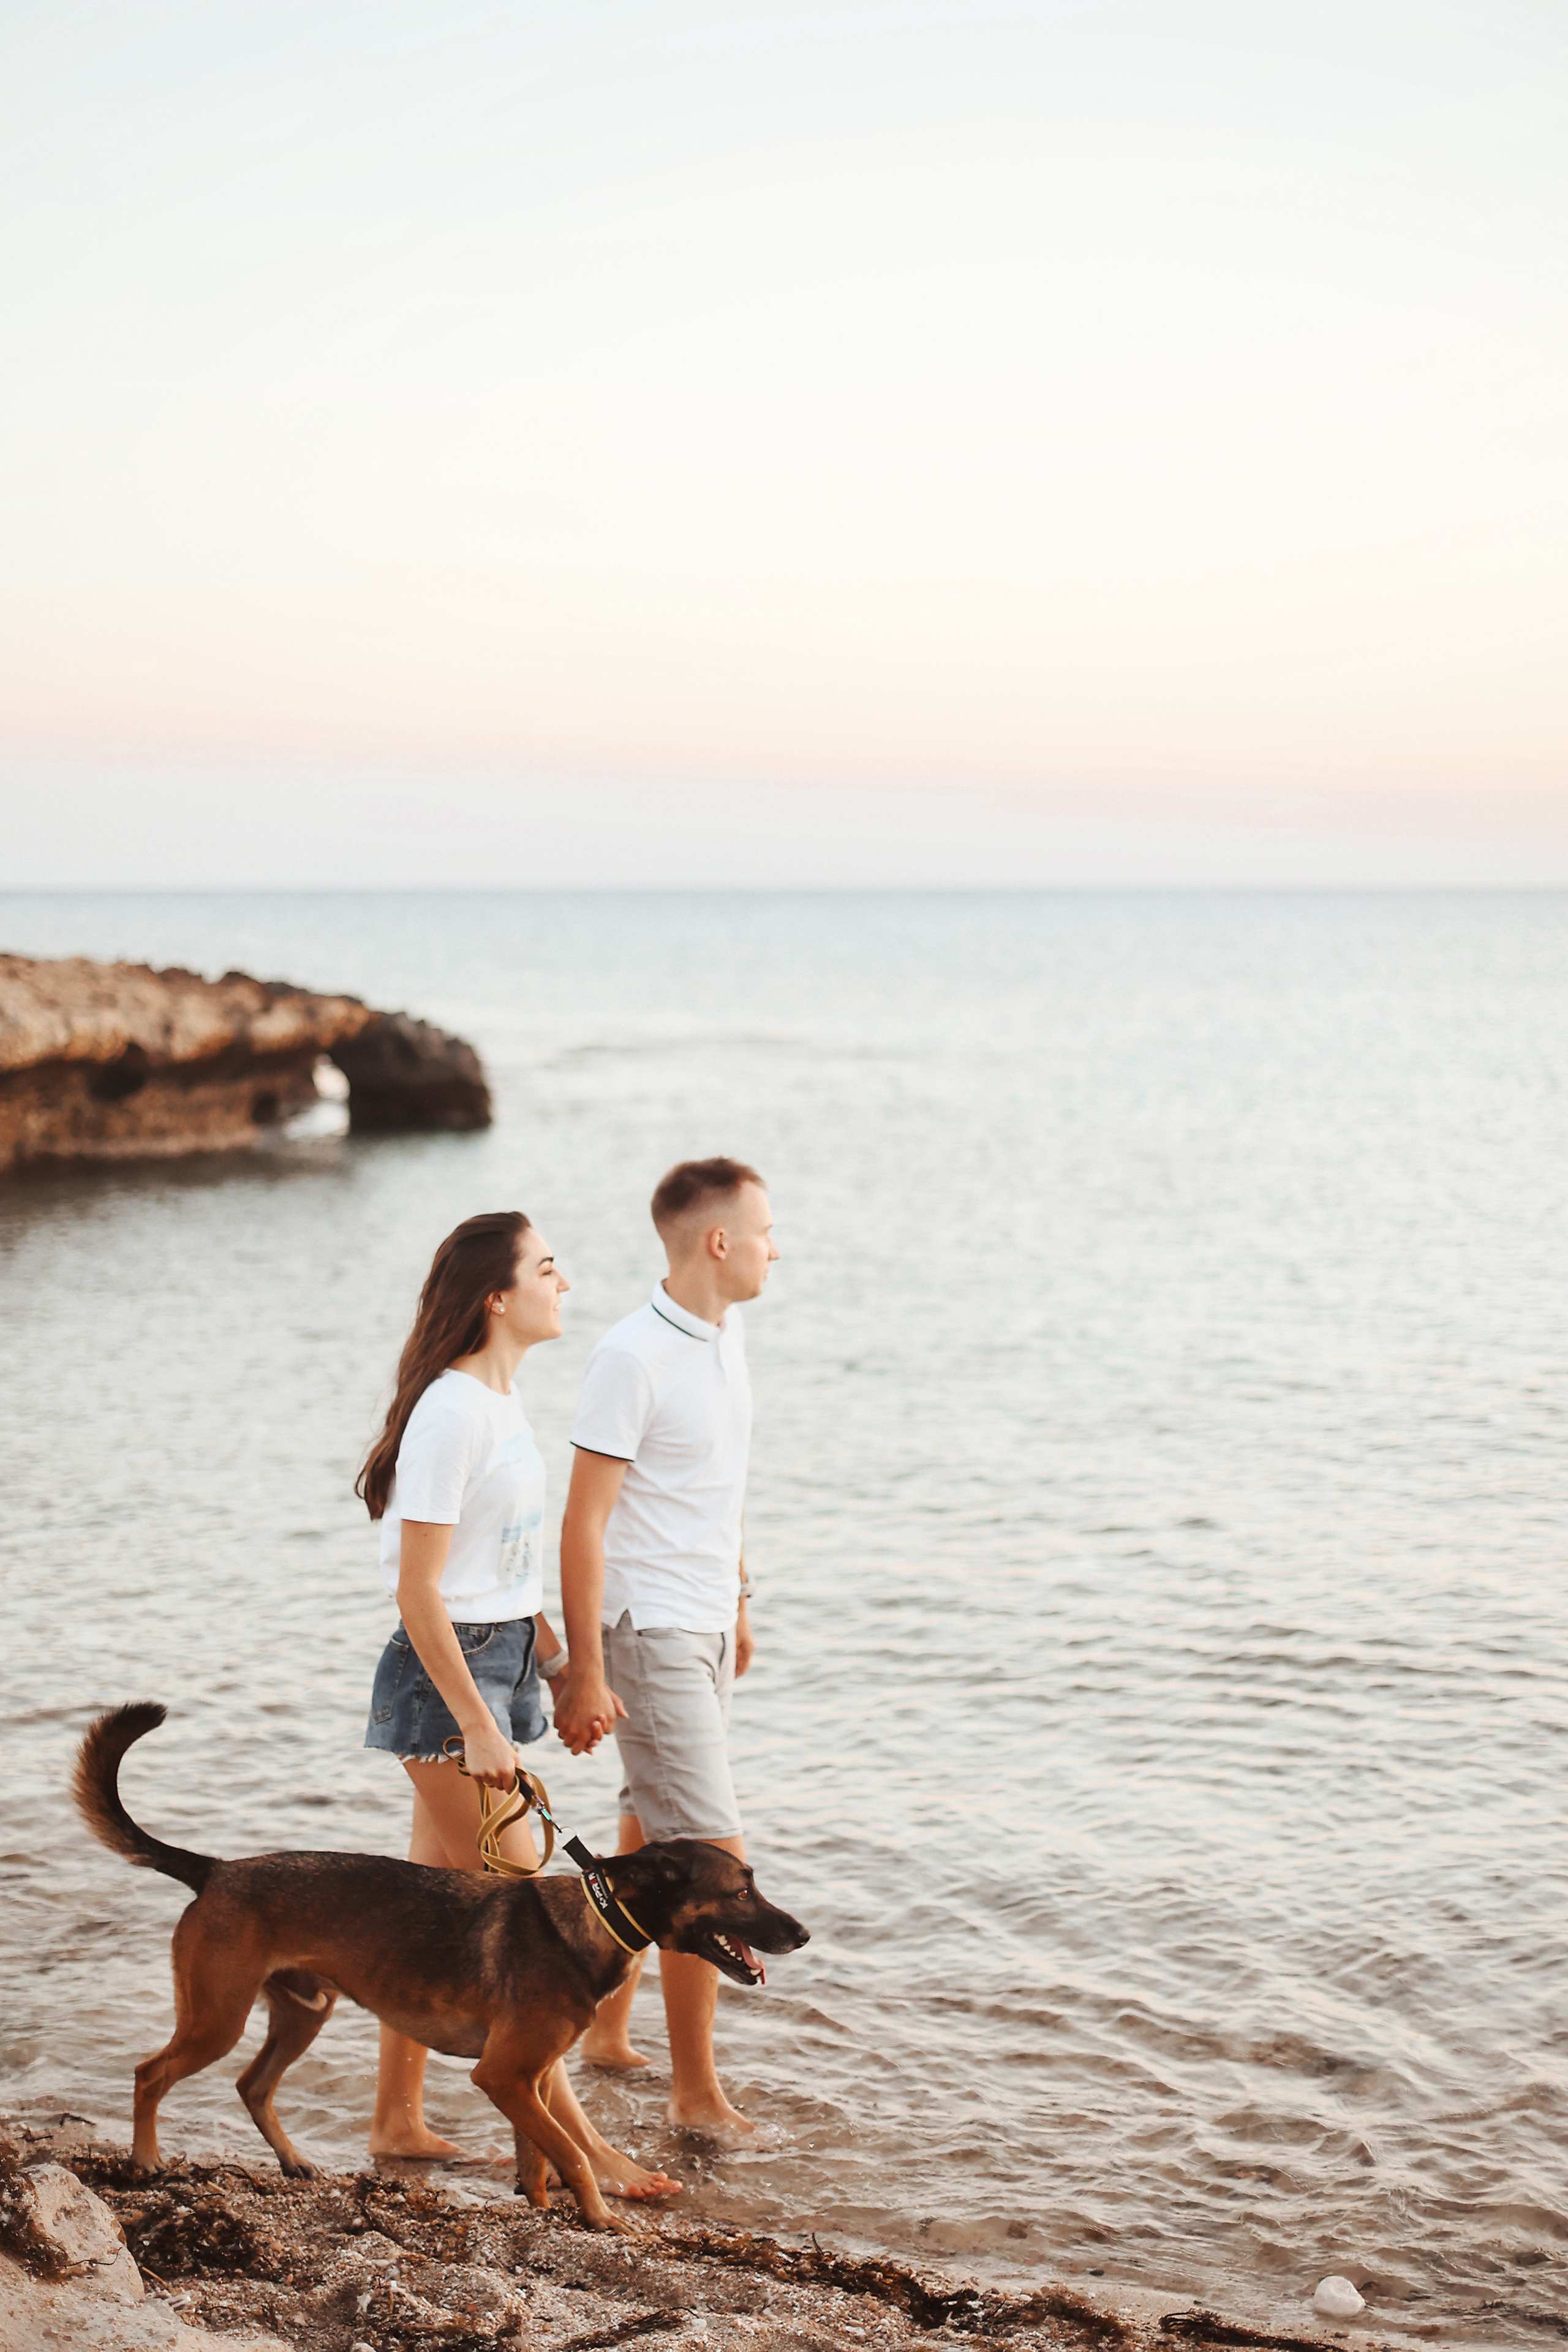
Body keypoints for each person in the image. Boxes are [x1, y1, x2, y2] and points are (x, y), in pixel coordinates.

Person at [357, 1208, 676, 2200]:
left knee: (417, 1912)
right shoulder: (453, 1410)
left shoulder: (498, 1400)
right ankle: (591, 2155)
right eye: (548, 1268)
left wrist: (552, 1648)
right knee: (544, 1926)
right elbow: (418, 1594)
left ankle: (397, 2121)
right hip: (447, 1673)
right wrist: (480, 1724)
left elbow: (491, 1558)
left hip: (496, 1656)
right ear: (497, 1298)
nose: (565, 1283)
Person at [552, 1158, 778, 2140]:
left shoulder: (730, 1336)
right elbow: (583, 1524)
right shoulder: (631, 1356)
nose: (780, 1246)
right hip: (647, 1633)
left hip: (705, 1625)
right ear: (717, 1241)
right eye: (767, 1230)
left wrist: (740, 1599)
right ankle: (696, 2098)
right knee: (713, 1865)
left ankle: (604, 2033)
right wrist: (591, 1668)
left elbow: (719, 1487)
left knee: (648, 1833)